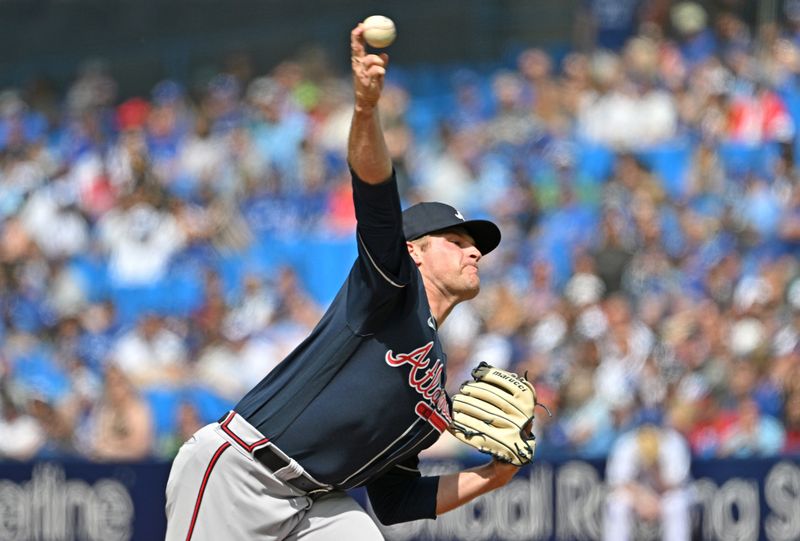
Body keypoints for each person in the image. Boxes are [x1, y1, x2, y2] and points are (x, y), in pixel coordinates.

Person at [164, 23, 524, 540]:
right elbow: (376, 193)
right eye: (455, 240)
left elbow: (397, 500)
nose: (473, 250)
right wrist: (365, 110)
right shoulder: (391, 288)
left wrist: (495, 476)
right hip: (243, 474)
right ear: (413, 253)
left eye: (478, 246)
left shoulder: (434, 383)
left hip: (315, 502)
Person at [603, 421, 693, 541]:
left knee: (677, 505)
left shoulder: (674, 441)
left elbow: (675, 484)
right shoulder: (626, 442)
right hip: (637, 495)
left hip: (666, 494)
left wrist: (654, 465)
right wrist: (642, 500)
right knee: (617, 504)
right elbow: (619, 481)